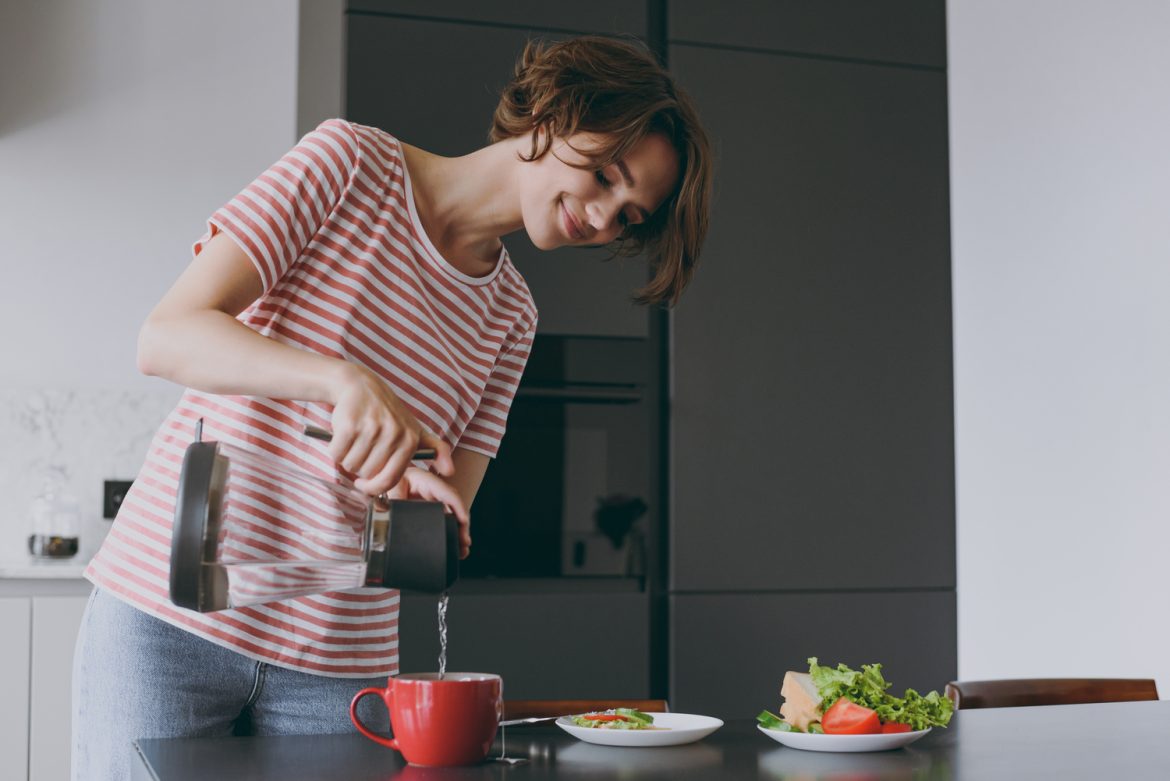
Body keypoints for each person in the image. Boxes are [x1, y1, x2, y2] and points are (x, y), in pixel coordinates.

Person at [72, 34, 712, 779]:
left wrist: (421, 494)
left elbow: (433, 523)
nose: (604, 218)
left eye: (629, 215)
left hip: (340, 665)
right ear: (552, 112)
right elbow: (167, 335)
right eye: (606, 174)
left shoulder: (510, 316)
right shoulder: (350, 165)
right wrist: (341, 380)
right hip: (168, 623)